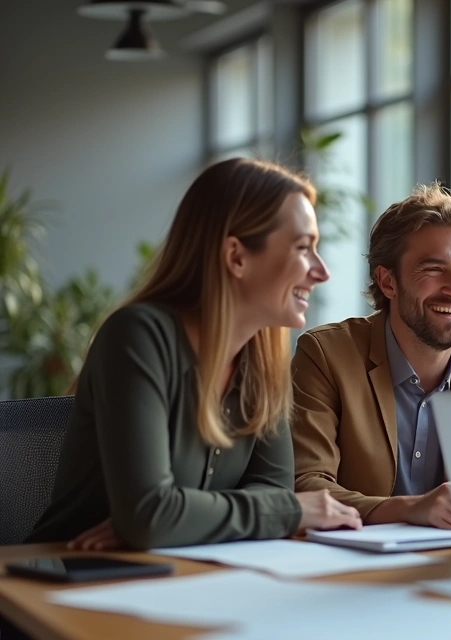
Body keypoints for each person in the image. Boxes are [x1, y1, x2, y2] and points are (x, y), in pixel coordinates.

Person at [26, 158, 362, 550]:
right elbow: (153, 517)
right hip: (68, 578)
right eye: (303, 248)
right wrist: (287, 511)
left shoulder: (262, 360)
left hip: (184, 573)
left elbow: (271, 489)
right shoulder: (137, 337)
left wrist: (178, 518)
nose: (321, 272)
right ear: (236, 256)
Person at [292, 183, 451, 530]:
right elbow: (307, 484)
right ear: (387, 282)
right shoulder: (326, 355)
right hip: (354, 568)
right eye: (434, 270)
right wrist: (409, 509)